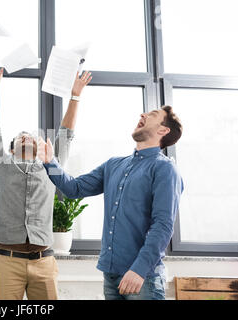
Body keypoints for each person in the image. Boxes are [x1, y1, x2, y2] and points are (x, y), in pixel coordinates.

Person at [37, 105, 184, 300]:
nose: (143, 114)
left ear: (163, 130)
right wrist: (50, 162)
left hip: (143, 278)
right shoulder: (114, 164)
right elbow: (74, 189)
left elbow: (163, 226)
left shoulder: (165, 169)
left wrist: (139, 270)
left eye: (152, 115)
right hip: (111, 275)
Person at [0, 59, 92, 300]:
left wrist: (75, 96)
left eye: (31, 136)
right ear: (10, 149)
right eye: (20, 136)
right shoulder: (1, 164)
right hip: (7, 262)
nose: (26, 137)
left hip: (44, 262)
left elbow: (66, 134)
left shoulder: (50, 164)